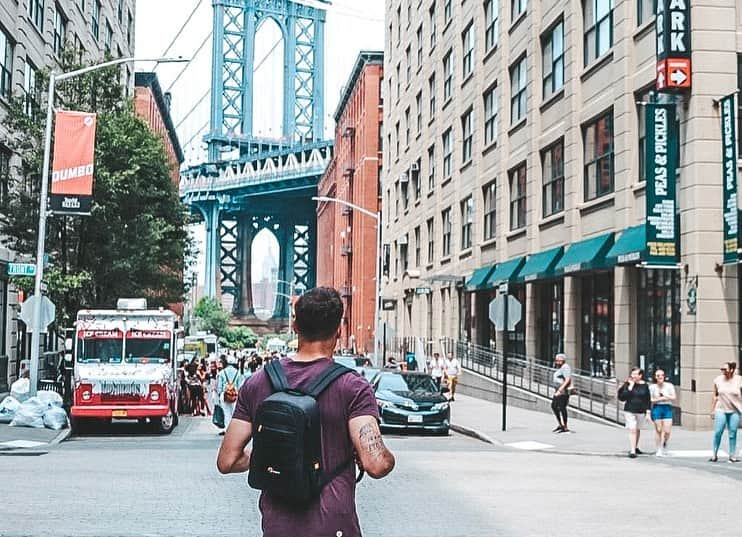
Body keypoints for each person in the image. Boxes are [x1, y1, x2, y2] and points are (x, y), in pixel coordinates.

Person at [217, 287, 395, 537]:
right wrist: (387, 457)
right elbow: (376, 464)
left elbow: (227, 461)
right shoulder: (352, 387)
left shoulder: (258, 382)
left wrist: (278, 451)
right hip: (333, 526)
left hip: (278, 527)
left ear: (295, 325)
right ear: (339, 330)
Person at [709, 361, 742, 463]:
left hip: (734, 410)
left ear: (731, 370)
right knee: (718, 432)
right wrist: (712, 410)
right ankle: (714, 455)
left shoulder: (739, 380)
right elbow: (715, 395)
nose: (722, 371)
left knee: (733, 433)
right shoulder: (718, 380)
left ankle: (732, 456)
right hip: (721, 409)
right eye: (721, 369)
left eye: (724, 369)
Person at [618, 367, 651, 458]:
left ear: (640, 375)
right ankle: (632, 450)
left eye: (636, 374)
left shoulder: (645, 385)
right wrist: (630, 387)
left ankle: (636, 447)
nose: (633, 376)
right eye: (632, 374)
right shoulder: (628, 384)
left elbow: (647, 399)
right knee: (632, 429)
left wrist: (648, 412)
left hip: (641, 410)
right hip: (630, 410)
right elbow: (622, 397)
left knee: (637, 429)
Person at [649, 369, 676, 456]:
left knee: (667, 430)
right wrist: (659, 399)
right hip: (657, 407)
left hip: (667, 407)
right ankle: (659, 449)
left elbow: (673, 397)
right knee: (659, 429)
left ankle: (665, 442)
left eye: (662, 375)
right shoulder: (652, 387)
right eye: (658, 375)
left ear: (664, 376)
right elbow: (650, 399)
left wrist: (666, 396)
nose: (660, 377)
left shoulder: (669, 386)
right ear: (655, 377)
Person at [217, 355, 243, 434]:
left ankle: (227, 428)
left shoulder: (222, 372)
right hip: (234, 394)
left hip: (224, 394)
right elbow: (240, 386)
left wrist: (220, 394)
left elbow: (219, 387)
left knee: (226, 412)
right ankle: (233, 428)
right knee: (233, 412)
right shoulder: (238, 373)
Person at [551, 353, 572, 433]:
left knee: (562, 407)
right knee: (554, 406)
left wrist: (560, 390)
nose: (556, 362)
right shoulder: (561, 368)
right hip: (558, 391)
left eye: (557, 360)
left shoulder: (565, 367)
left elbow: (567, 379)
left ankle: (565, 426)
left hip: (562, 392)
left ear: (562, 360)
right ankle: (561, 424)